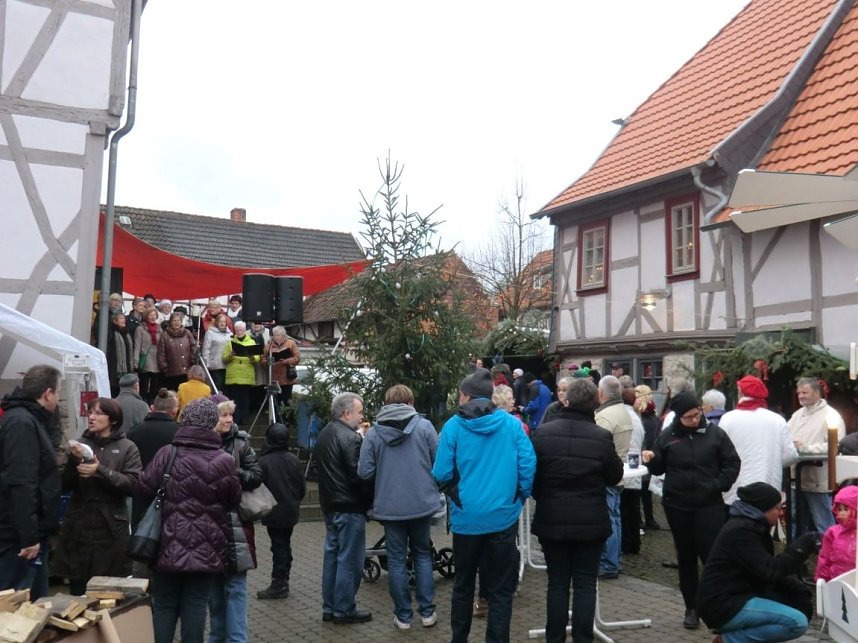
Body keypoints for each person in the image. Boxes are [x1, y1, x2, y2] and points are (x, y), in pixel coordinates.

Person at [432, 367, 536, 643]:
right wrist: (519, 497)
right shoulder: (512, 425)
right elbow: (528, 466)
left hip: (467, 519)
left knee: (463, 586)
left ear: (466, 395)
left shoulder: (453, 427)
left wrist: (456, 496)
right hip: (503, 517)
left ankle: (459, 639)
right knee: (501, 589)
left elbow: (441, 472)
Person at [135, 398, 240, 643]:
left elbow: (142, 487)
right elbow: (234, 500)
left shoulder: (167, 453)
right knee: (196, 606)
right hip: (208, 546)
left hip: (166, 543)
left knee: (164, 605)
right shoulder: (224, 460)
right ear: (212, 423)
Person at [531, 377, 624, 643]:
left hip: (552, 518)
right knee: (584, 585)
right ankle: (583, 639)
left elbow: (533, 478)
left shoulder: (543, 434)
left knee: (557, 583)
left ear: (567, 400)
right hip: (590, 521)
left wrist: (545, 498)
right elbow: (614, 476)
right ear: (594, 403)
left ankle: (555, 639)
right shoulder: (601, 436)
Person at [641, 390, 741, 630]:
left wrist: (717, 484)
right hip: (677, 504)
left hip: (709, 504)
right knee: (686, 557)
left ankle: (716, 607)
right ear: (679, 417)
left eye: (696, 414)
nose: (694, 420)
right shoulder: (667, 435)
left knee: (712, 556)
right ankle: (692, 607)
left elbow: (732, 463)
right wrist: (651, 460)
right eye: (688, 417)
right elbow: (658, 468)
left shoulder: (716, 434)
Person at [358, 385, 441, 630]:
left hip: (390, 505)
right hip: (421, 503)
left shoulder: (373, 433)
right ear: (410, 401)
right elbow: (439, 463)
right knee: (422, 556)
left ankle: (403, 616)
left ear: (387, 402)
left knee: (395, 560)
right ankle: (427, 613)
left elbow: (364, 472)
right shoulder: (424, 427)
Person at [697, 482, 817, 643]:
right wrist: (801, 547)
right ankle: (728, 640)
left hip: (736, 595)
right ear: (763, 509)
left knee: (791, 604)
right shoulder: (741, 531)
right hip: (722, 604)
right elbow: (771, 570)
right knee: (796, 622)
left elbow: (765, 570)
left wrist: (797, 590)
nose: (780, 512)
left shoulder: (751, 525)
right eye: (777, 507)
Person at [53, 397, 142, 596]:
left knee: (106, 595)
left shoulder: (128, 447)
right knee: (77, 594)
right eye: (90, 412)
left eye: (98, 413)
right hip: (79, 527)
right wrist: (72, 463)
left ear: (113, 419)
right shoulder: (81, 443)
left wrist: (99, 470)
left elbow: (133, 485)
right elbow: (65, 485)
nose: (91, 417)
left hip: (110, 529)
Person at [0, 365, 62, 593]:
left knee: (36, 606)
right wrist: (29, 537)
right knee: (15, 612)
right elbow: (21, 482)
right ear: (47, 393)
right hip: (18, 538)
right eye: (58, 393)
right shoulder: (22, 423)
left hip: (28, 533)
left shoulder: (27, 420)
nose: (58, 399)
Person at [208, 397, 263, 643]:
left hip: (237, 523)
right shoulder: (200, 444)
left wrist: (232, 470)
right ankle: (217, 637)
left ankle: (237, 640)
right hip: (208, 523)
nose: (229, 420)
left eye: (231, 415)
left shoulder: (241, 443)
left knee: (236, 587)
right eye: (224, 415)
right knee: (214, 591)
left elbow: (256, 476)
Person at [315, 392, 373, 624]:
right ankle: (344, 608)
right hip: (349, 506)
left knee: (332, 556)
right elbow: (358, 475)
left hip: (331, 504)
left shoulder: (325, 433)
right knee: (349, 559)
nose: (361, 417)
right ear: (347, 413)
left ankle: (330, 606)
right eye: (359, 412)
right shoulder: (350, 438)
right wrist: (369, 500)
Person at [719, 375, 797, 506]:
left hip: (736, 487)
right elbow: (790, 456)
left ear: (741, 393)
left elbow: (720, 453)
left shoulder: (727, 419)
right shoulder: (777, 420)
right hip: (768, 485)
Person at [788, 377, 846, 535]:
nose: (801, 396)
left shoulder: (831, 416)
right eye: (799, 393)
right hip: (796, 478)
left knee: (823, 522)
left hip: (818, 479)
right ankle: (797, 556)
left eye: (805, 392)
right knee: (795, 521)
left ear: (816, 393)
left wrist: (806, 448)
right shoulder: (797, 415)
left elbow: (836, 445)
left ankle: (830, 556)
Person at [256, 423, 306, 600]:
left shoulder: (263, 462)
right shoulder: (293, 459)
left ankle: (279, 583)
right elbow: (301, 487)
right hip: (290, 510)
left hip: (273, 512)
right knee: (284, 544)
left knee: (278, 546)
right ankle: (284, 578)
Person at [593, 375, 632, 579]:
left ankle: (609, 563)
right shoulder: (623, 412)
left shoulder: (605, 416)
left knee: (609, 518)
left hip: (606, 475)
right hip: (617, 473)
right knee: (615, 518)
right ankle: (613, 560)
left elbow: (597, 446)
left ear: (601, 393)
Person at [127, 388, 180, 530]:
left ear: (152, 408)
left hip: (139, 493)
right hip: (171, 495)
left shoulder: (134, 431)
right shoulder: (180, 433)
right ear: (174, 411)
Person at [816, 484, 858, 582]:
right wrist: (822, 579)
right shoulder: (833, 532)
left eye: (846, 509)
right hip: (836, 580)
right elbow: (825, 558)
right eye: (839, 509)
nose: (842, 513)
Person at [634, 384, 661, 530]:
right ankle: (642, 519)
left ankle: (648, 518)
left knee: (646, 490)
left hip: (649, 453)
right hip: (642, 454)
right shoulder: (642, 415)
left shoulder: (650, 413)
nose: (651, 396)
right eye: (649, 393)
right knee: (641, 489)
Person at [222, 321, 259, 425]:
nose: (239, 332)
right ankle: (235, 420)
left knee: (245, 398)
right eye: (237, 330)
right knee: (234, 399)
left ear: (245, 330)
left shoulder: (251, 342)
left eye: (241, 330)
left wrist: (252, 357)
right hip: (233, 375)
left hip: (246, 375)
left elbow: (257, 357)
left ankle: (244, 420)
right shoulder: (230, 342)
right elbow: (224, 358)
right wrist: (230, 355)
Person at [262, 326, 301, 418]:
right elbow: (262, 359)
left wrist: (287, 361)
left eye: (279, 335)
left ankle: (286, 419)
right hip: (274, 378)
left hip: (287, 377)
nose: (276, 337)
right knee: (276, 400)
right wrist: (268, 362)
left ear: (283, 335)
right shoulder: (269, 346)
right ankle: (276, 419)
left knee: (286, 400)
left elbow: (297, 358)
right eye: (275, 335)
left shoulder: (291, 344)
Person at [157, 312, 197, 391]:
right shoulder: (165, 335)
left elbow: (193, 347)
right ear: (170, 322)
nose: (176, 323)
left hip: (187, 370)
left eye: (178, 320)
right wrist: (165, 368)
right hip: (171, 372)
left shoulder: (187, 333)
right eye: (174, 321)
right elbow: (161, 353)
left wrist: (192, 360)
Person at [134, 306, 163, 402]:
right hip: (145, 358)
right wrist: (136, 361)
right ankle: (143, 402)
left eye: (154, 315)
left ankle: (152, 402)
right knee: (144, 385)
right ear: (146, 316)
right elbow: (137, 345)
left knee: (155, 385)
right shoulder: (140, 328)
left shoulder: (160, 329)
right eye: (150, 315)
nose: (152, 317)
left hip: (156, 359)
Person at [202, 313, 232, 392]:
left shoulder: (230, 334)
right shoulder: (210, 333)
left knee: (226, 388)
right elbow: (206, 349)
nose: (222, 323)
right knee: (217, 386)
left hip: (228, 365)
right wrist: (206, 364)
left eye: (224, 322)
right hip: (215, 365)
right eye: (220, 321)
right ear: (216, 322)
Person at [106, 312, 134, 397]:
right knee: (114, 388)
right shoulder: (111, 333)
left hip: (127, 366)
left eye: (124, 318)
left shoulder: (127, 333)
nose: (124, 320)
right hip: (114, 366)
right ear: (115, 321)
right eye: (121, 318)